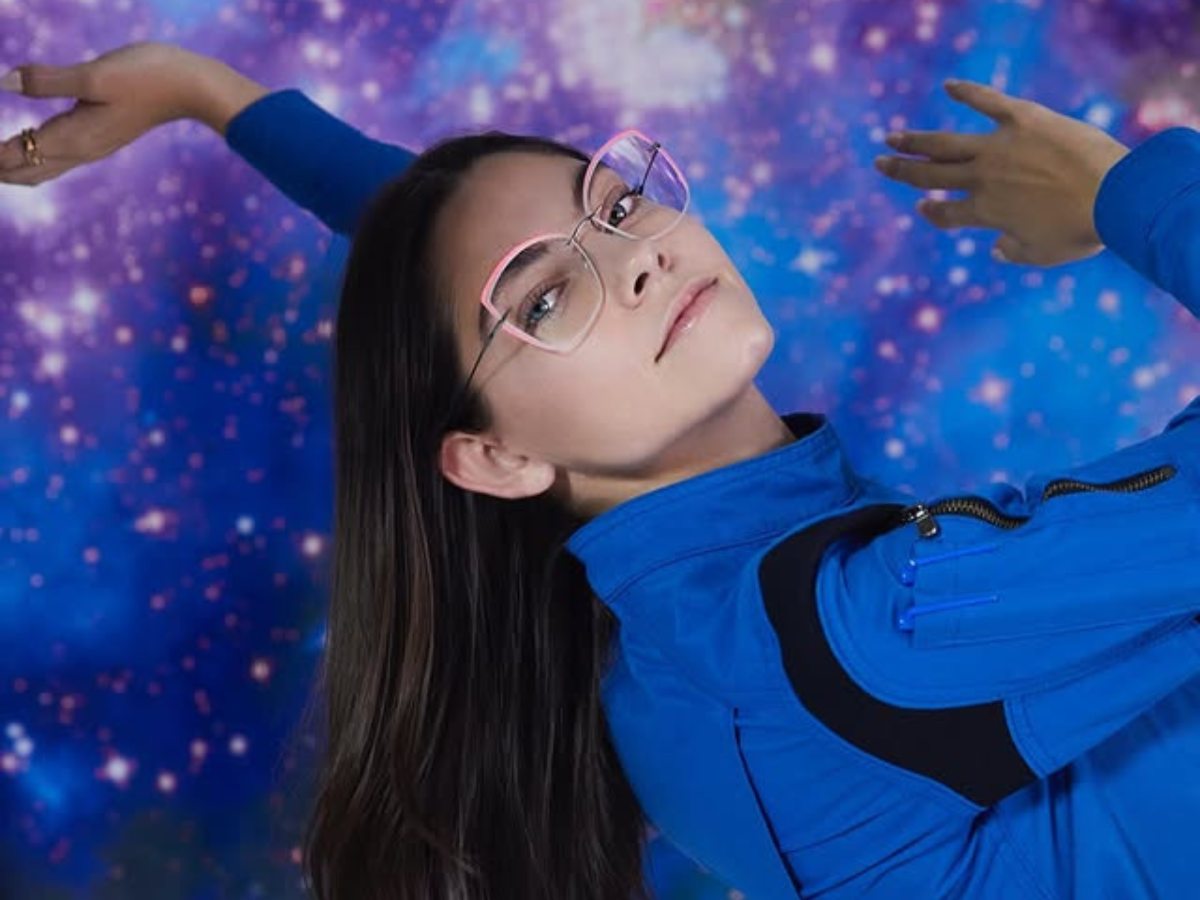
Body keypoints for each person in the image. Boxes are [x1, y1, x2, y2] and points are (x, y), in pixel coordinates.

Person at [4, 41, 1200, 900]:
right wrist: (1120, 189)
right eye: (549, 298)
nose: (635, 259)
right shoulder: (865, 627)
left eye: (620, 204)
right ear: (495, 457)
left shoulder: (684, 632)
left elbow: (459, 255)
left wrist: (207, 94)